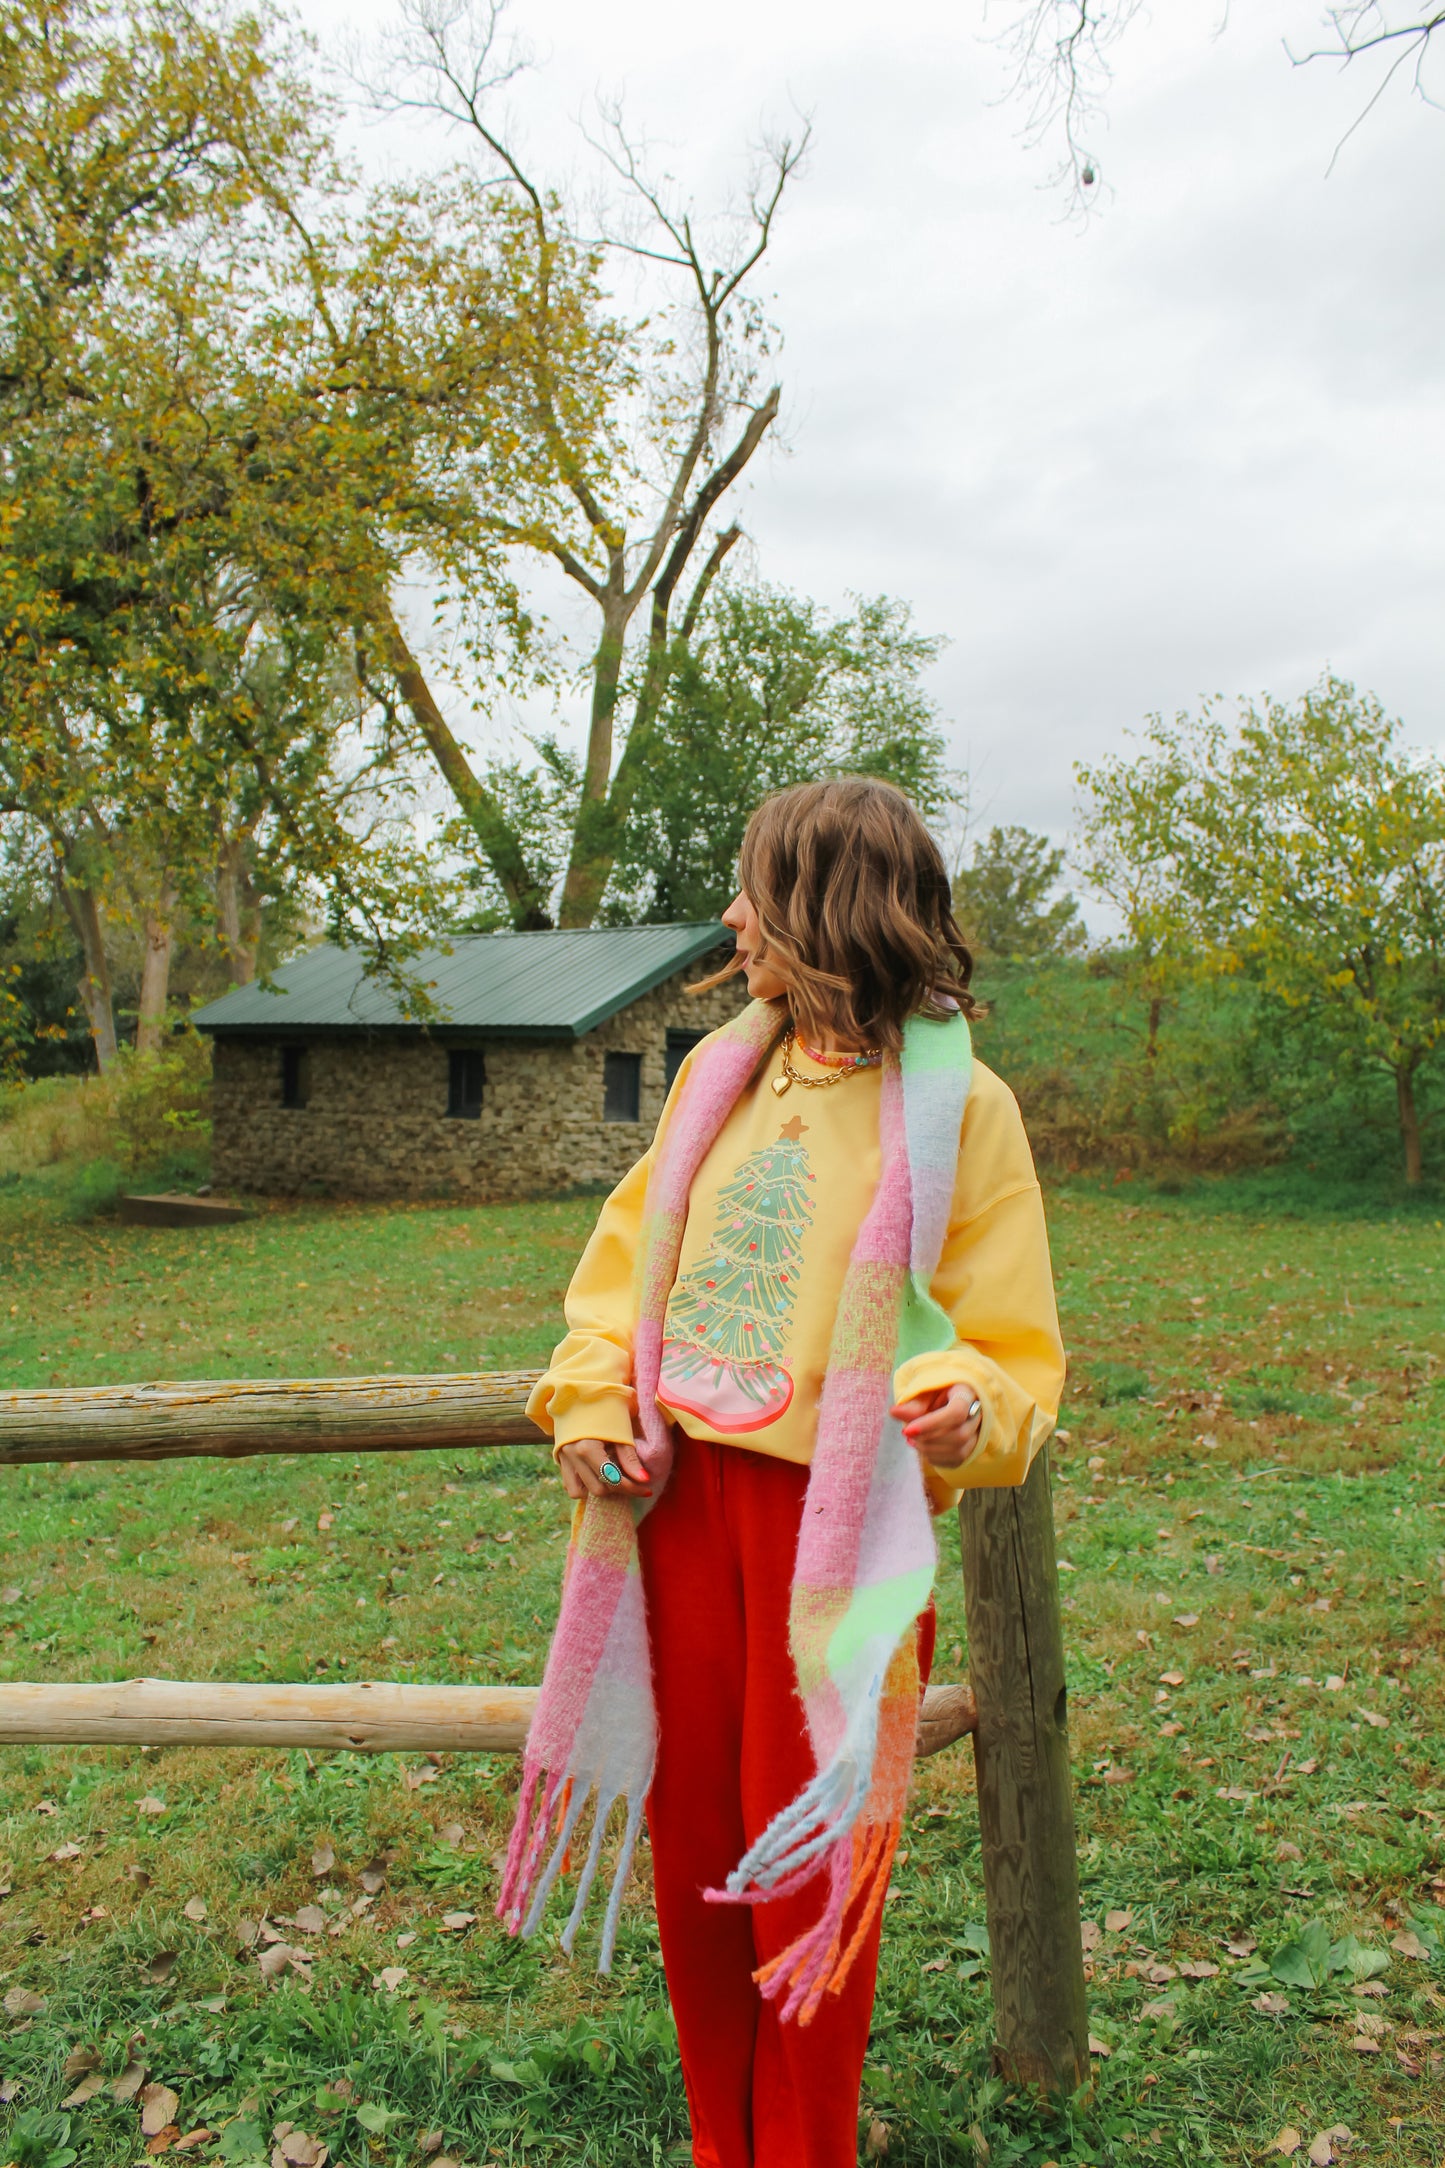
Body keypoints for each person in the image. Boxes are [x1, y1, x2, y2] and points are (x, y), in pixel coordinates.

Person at [498, 777, 1066, 2168]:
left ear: (823, 905)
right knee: (698, 1859)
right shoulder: (714, 1074)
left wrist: (960, 1406)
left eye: (752, 889)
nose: (732, 919)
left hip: (839, 1535)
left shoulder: (962, 1106)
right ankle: (718, 2143)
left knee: (805, 1872)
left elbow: (1004, 1337)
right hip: (675, 1515)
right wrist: (583, 1403)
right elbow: (617, 1279)